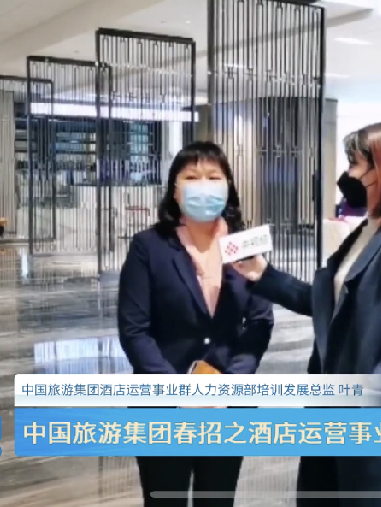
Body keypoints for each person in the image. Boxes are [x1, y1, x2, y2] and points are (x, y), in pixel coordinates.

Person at [233, 122, 381, 507]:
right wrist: (263, 275)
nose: (348, 174)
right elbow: (324, 303)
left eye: (356, 163)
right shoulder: (365, 233)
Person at [117, 141, 275, 507]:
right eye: (192, 177)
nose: (203, 185)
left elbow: (260, 321)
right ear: (175, 190)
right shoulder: (149, 246)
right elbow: (134, 329)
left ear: (228, 186)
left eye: (213, 177)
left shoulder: (244, 244)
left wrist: (230, 383)